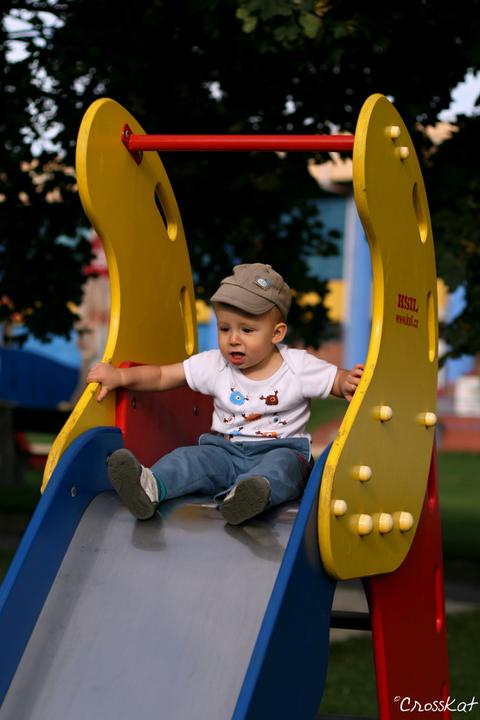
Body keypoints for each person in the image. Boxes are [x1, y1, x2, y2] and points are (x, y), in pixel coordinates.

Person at [87, 263, 363, 525]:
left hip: (281, 451)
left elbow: (335, 380)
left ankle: (246, 498)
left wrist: (347, 382)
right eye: (224, 328)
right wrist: (121, 376)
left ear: (276, 333)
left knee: (283, 469)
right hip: (224, 451)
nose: (233, 339)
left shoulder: (298, 366)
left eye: (247, 330)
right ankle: (149, 487)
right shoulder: (214, 364)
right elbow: (162, 375)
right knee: (189, 458)